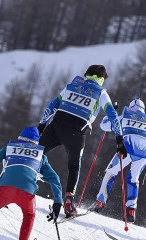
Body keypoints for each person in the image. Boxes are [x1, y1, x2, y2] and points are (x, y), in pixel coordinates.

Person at [37, 65, 125, 218]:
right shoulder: (101, 91)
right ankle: (69, 201)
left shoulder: (74, 84)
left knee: (34, 153)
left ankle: (6, 178)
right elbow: (113, 116)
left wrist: (42, 125)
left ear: (86, 75)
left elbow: (52, 106)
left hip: (57, 124)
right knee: (74, 166)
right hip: (76, 131)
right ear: (102, 79)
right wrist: (119, 140)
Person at [92, 98, 146, 223]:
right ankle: (131, 210)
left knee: (112, 172)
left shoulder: (125, 115)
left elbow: (104, 125)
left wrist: (112, 112)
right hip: (144, 153)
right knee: (133, 179)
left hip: (128, 148)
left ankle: (100, 202)